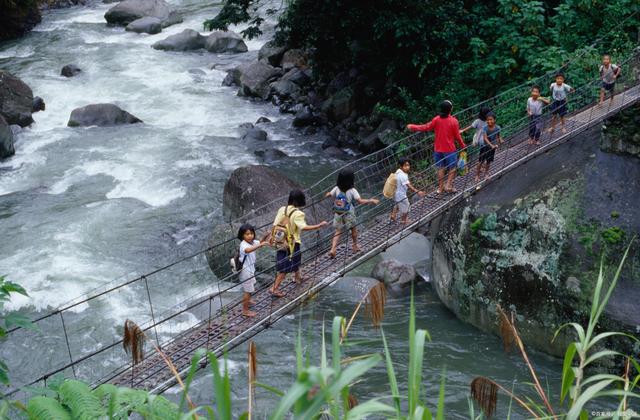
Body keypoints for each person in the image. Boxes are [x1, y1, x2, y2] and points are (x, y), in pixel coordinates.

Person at [270, 189, 328, 297]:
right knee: (285, 267)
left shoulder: (282, 209)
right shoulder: (298, 214)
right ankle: (274, 288)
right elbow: (304, 227)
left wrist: (271, 238)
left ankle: (297, 277)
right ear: (298, 201)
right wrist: (319, 225)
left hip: (280, 241)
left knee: (296, 259)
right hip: (292, 243)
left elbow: (275, 224)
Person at [407, 100, 466, 194]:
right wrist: (463, 145)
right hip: (449, 149)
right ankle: (448, 185)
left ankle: (440, 188)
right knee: (453, 168)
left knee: (441, 168)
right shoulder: (454, 121)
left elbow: (425, 127)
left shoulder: (436, 119)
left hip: (438, 149)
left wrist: (412, 126)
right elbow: (457, 136)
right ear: (450, 109)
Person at [325, 169, 379, 258]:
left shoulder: (336, 188)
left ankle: (333, 249)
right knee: (353, 230)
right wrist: (371, 200)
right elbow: (360, 201)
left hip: (338, 212)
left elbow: (329, 195)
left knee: (338, 232)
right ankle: (355, 245)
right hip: (349, 213)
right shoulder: (352, 190)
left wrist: (327, 194)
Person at [237, 224, 268, 317]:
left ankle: (249, 300)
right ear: (242, 235)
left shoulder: (252, 241)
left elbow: (258, 243)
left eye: (251, 233)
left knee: (250, 288)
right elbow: (248, 250)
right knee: (247, 291)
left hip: (250, 269)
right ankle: (245, 311)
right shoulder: (243, 244)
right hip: (245, 271)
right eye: (247, 234)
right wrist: (261, 244)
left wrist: (265, 237)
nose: (250, 236)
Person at [389, 157, 425, 225]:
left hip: (395, 192)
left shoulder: (398, 171)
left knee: (397, 203)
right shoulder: (403, 175)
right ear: (401, 166)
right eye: (405, 165)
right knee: (407, 206)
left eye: (408, 165)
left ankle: (393, 215)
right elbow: (409, 186)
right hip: (401, 194)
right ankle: (404, 220)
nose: (407, 167)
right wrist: (418, 191)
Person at [477, 113, 502, 181]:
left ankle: (486, 174)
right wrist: (492, 145)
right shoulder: (485, 128)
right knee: (480, 161)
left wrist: (500, 140)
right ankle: (477, 175)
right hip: (484, 147)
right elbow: (485, 138)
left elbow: (498, 136)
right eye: (487, 120)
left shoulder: (497, 128)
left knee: (488, 161)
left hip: (492, 148)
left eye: (491, 119)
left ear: (494, 120)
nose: (489, 121)